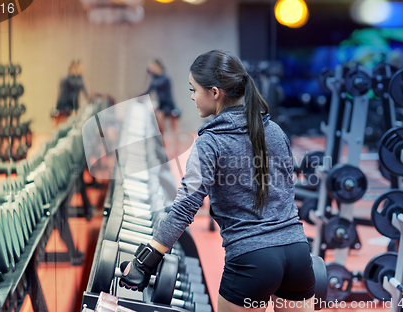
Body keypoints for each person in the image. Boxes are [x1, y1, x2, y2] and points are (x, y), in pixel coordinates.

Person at [121, 50, 315, 312]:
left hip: (252, 262)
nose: (191, 97)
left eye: (194, 89)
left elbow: (184, 209)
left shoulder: (209, 143)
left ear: (214, 92)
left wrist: (144, 263)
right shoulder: (275, 131)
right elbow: (286, 191)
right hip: (298, 255)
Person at [142, 59, 180, 134]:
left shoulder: (165, 78)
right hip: (161, 105)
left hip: (169, 104)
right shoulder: (154, 79)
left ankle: (177, 143)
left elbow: (166, 92)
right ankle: (162, 144)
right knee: (161, 128)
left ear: (158, 66)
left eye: (153, 67)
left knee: (174, 128)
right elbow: (148, 91)